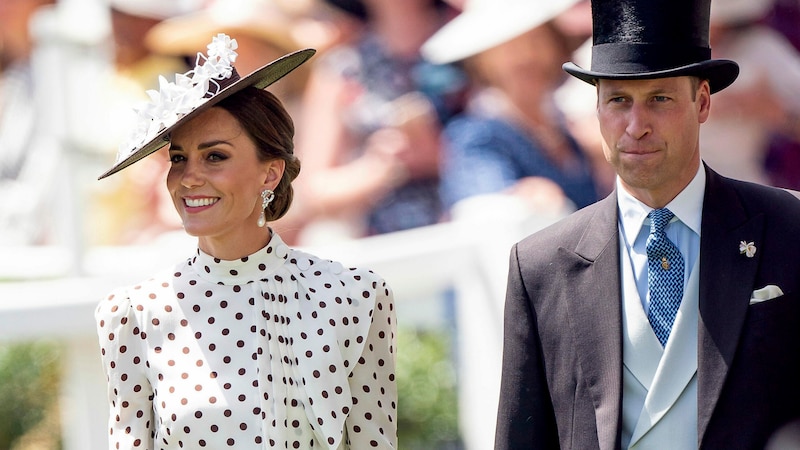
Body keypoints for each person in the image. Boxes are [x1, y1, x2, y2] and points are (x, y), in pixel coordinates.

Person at [494, 0, 800, 448]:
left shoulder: (788, 227)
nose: (636, 126)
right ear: (596, 108)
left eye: (660, 99)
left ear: (701, 102)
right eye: (618, 100)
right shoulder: (540, 265)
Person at [94, 34, 397, 449]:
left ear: (269, 174)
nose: (189, 177)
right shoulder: (134, 315)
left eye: (214, 156)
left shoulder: (356, 296)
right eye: (178, 158)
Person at [421, 0, 600, 216]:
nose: (527, 56)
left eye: (535, 40)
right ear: (482, 61)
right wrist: (522, 199)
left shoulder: (572, 131)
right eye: (510, 47)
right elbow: (483, 205)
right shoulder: (476, 136)